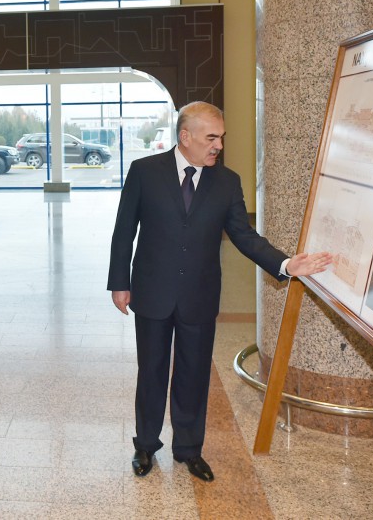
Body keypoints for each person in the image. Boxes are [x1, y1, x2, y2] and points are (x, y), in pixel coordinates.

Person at [107, 101, 332, 482]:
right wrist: (119, 282)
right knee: (152, 372)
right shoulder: (144, 172)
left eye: (221, 138)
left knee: (194, 374)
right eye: (212, 137)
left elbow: (244, 236)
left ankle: (189, 450)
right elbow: (124, 229)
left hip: (199, 294)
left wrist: (285, 264)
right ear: (186, 137)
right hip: (152, 291)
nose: (218, 146)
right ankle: (145, 445)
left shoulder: (226, 181)